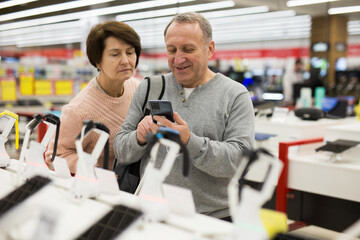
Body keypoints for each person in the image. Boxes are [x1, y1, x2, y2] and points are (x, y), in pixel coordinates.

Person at [114, 12, 254, 220]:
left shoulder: (234, 95)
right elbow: (120, 148)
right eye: (172, 50)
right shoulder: (150, 87)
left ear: (210, 49)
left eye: (188, 49)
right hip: (151, 213)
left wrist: (190, 141)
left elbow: (240, 160)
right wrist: (140, 136)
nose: (178, 59)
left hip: (210, 219)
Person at [45, 21, 141, 174]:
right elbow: (55, 156)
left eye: (130, 52)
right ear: (98, 61)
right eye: (115, 54)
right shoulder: (79, 110)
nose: (125, 60)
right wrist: (93, 171)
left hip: (136, 187)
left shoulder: (138, 89)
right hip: (101, 191)